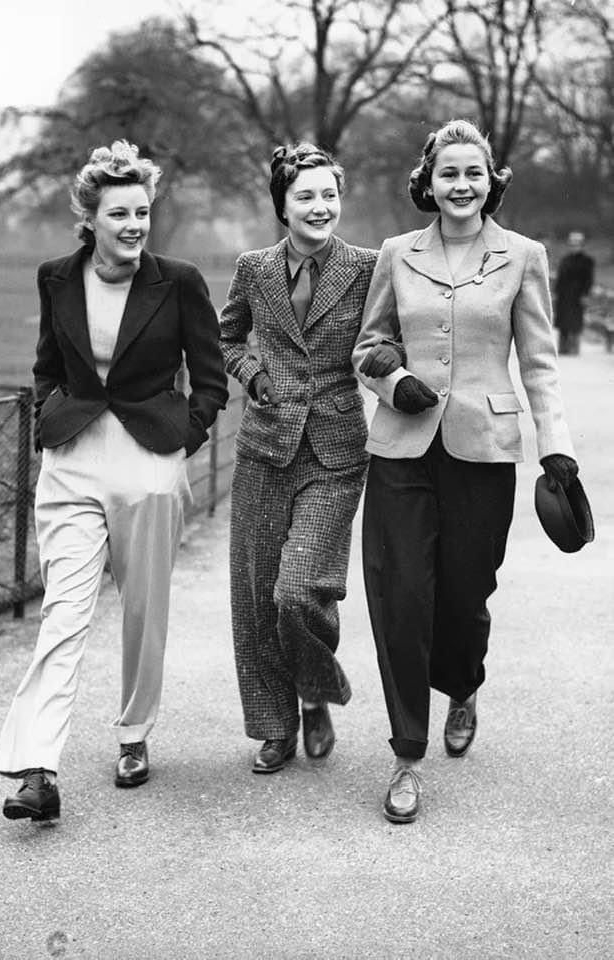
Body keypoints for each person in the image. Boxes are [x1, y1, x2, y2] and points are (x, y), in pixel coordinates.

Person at [0, 140, 228, 821]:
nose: (134, 225)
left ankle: (133, 735)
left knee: (143, 613)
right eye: (119, 213)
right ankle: (38, 769)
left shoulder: (178, 281)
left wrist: (181, 442)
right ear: (90, 218)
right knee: (64, 612)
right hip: (72, 461)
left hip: (148, 465)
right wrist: (49, 418)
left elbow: (210, 380)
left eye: (142, 212)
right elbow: (47, 365)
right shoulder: (56, 278)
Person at [353, 119, 579, 823]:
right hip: (402, 449)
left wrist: (556, 445)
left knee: (463, 596)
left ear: (490, 182)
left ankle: (463, 683)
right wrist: (394, 382)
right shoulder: (396, 253)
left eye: (472, 173)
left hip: (483, 451)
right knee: (400, 598)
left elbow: (539, 361)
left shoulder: (524, 256)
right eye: (447, 173)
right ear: (428, 182)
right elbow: (367, 343)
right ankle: (406, 756)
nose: (460, 185)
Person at [220, 142, 378, 774]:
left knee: (298, 591)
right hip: (265, 446)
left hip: (336, 450)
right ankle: (274, 728)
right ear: (281, 206)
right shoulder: (254, 269)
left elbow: (387, 337)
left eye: (329, 195)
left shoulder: (367, 268)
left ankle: (315, 688)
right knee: (257, 595)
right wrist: (252, 372)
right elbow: (227, 337)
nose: (320, 207)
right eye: (306, 196)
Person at [554, 231, 594, 355]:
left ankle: (574, 348)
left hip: (577, 295)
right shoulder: (565, 259)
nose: (574, 246)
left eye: (576, 244)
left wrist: (585, 294)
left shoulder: (587, 261)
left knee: (575, 322)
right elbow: (560, 278)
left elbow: (588, 279)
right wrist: (556, 292)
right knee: (562, 322)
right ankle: (563, 347)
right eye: (572, 244)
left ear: (581, 245)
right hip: (564, 295)